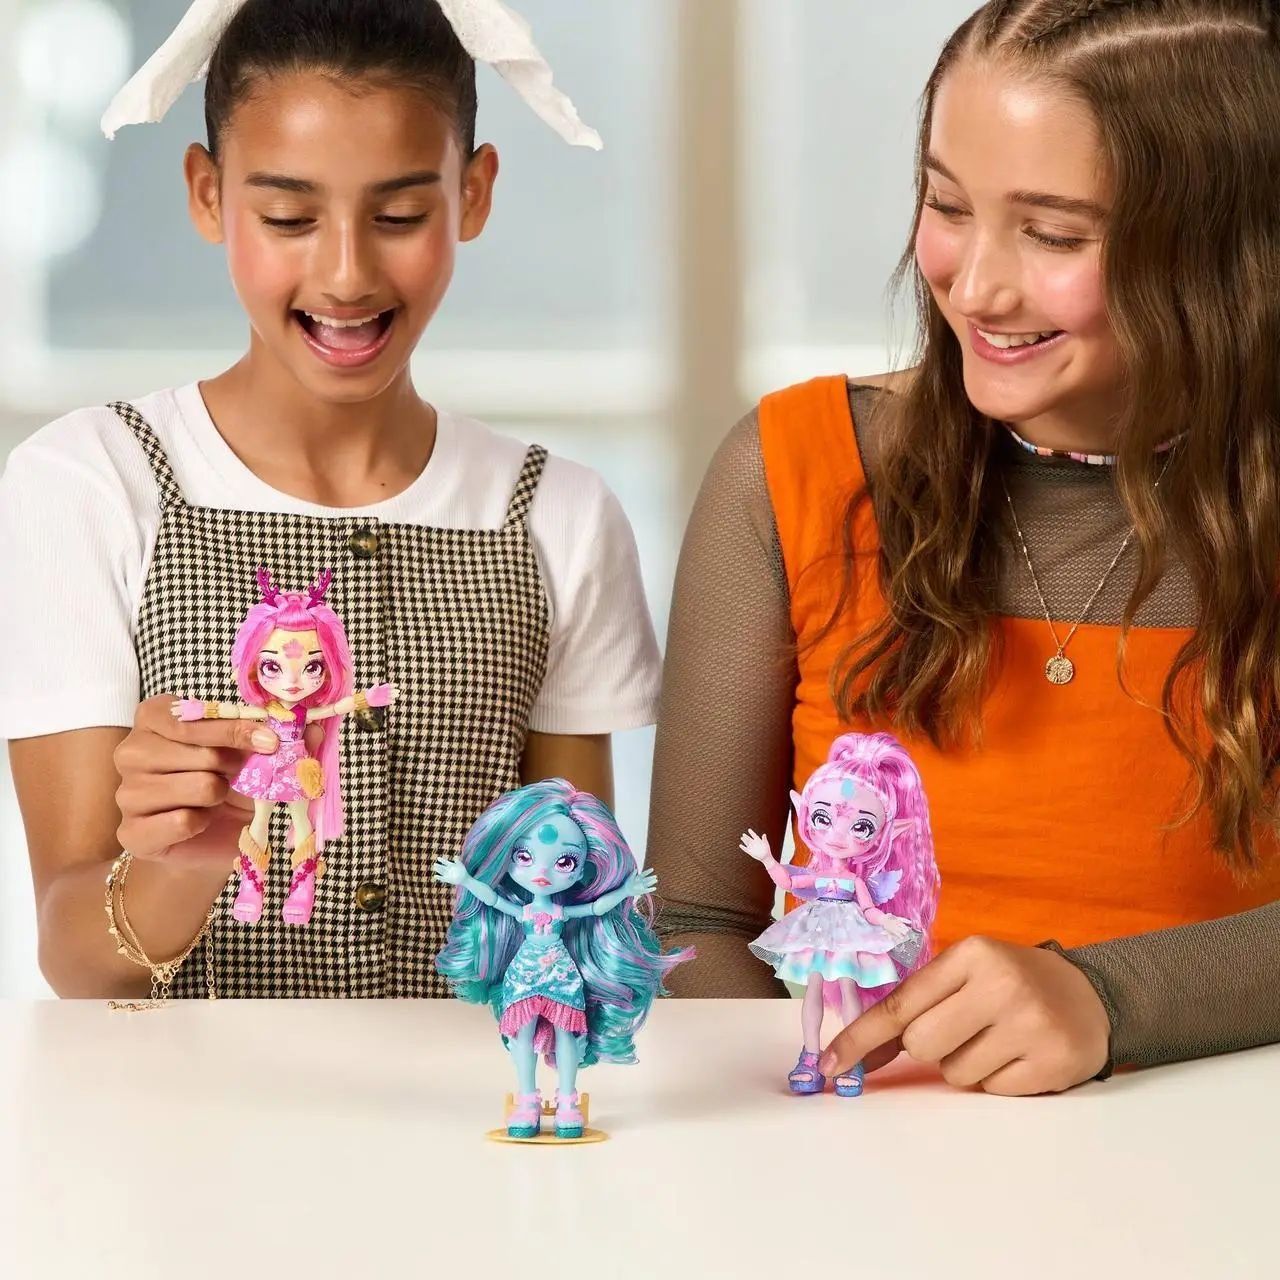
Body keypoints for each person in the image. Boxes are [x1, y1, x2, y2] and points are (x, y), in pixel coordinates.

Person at [650, 0, 1280, 1093]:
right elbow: (697, 917)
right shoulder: (791, 472)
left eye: (1054, 234)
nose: (975, 284)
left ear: (1226, 246)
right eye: (946, 204)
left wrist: (1111, 999)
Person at [0, 0, 658, 1000]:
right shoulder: (90, 481)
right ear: (208, 193)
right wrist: (181, 860)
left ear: (473, 193)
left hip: (478, 1096)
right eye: (287, 218)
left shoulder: (555, 515)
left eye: (399, 216)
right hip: (183, 1102)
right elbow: (75, 957)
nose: (346, 273)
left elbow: (571, 908)